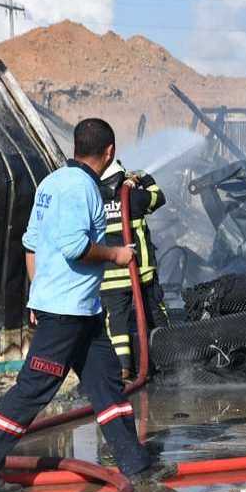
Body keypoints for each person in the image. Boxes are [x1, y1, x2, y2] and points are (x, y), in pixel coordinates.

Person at [0, 118, 162, 492]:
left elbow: (31, 244)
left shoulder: (51, 183)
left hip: (84, 312)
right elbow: (74, 247)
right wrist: (117, 254)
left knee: (107, 385)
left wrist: (37, 295)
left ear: (76, 147)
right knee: (34, 389)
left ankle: (136, 464)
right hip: (67, 315)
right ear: (110, 152)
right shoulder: (82, 188)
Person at [99, 160, 169, 379]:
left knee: (116, 321)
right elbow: (158, 197)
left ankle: (123, 368)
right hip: (140, 273)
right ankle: (168, 357)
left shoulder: (93, 201)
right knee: (154, 313)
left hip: (109, 275)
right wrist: (144, 177)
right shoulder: (134, 197)